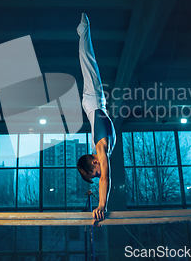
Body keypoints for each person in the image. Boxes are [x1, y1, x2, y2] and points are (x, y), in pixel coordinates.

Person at [75, 13, 116, 225]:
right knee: (88, 63)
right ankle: (84, 31)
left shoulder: (100, 148)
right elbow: (105, 176)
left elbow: (106, 179)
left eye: (96, 172)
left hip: (94, 99)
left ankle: (84, 29)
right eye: (96, 175)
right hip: (95, 103)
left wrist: (102, 205)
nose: (100, 174)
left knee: (88, 61)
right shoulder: (101, 149)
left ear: (94, 162)